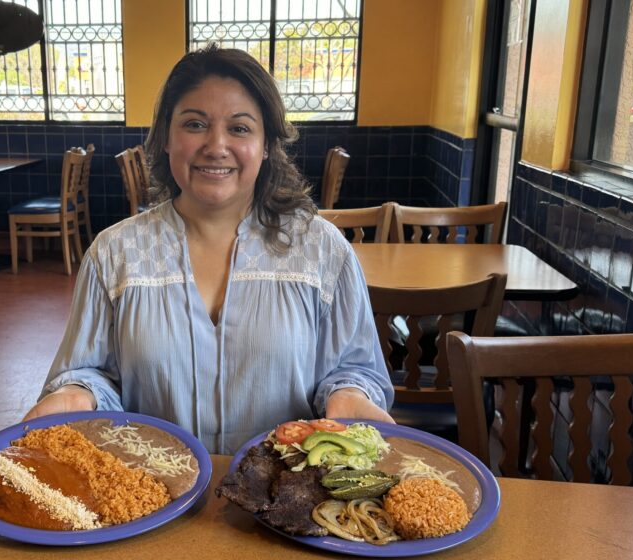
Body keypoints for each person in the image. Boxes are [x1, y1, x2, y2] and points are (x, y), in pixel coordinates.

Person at [22, 45, 393, 454]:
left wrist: (351, 396)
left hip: (287, 501)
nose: (216, 146)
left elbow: (354, 370)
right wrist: (77, 393)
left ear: (266, 144)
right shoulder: (114, 255)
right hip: (155, 498)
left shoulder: (322, 251)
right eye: (195, 124)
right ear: (165, 137)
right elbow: (91, 372)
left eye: (239, 128)